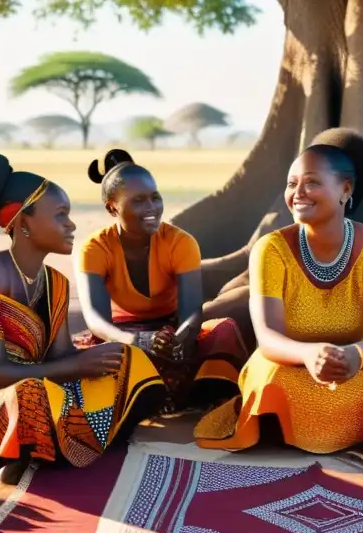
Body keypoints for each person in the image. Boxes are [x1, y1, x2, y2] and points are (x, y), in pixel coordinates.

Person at [0, 154, 166, 484]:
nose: (71, 224)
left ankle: (41, 452)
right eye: (60, 215)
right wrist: (77, 366)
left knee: (126, 360)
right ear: (22, 222)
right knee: (30, 395)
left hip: (30, 391)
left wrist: (88, 361)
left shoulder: (55, 283)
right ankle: (52, 448)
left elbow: (59, 360)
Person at [195, 129, 363, 454]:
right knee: (270, 372)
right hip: (291, 362)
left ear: (345, 190)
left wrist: (356, 356)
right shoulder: (271, 249)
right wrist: (307, 354)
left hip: (355, 364)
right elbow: (268, 338)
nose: (298, 193)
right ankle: (342, 429)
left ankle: (319, 429)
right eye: (292, 184)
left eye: (312, 182)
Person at [75, 149, 249, 410]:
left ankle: (177, 393)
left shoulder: (180, 242)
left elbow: (191, 311)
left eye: (155, 198)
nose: (152, 208)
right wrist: (137, 341)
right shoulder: (95, 248)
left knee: (223, 331)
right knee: (93, 360)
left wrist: (183, 338)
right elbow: (96, 320)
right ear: (112, 208)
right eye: (139, 201)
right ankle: (162, 393)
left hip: (170, 328)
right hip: (121, 334)